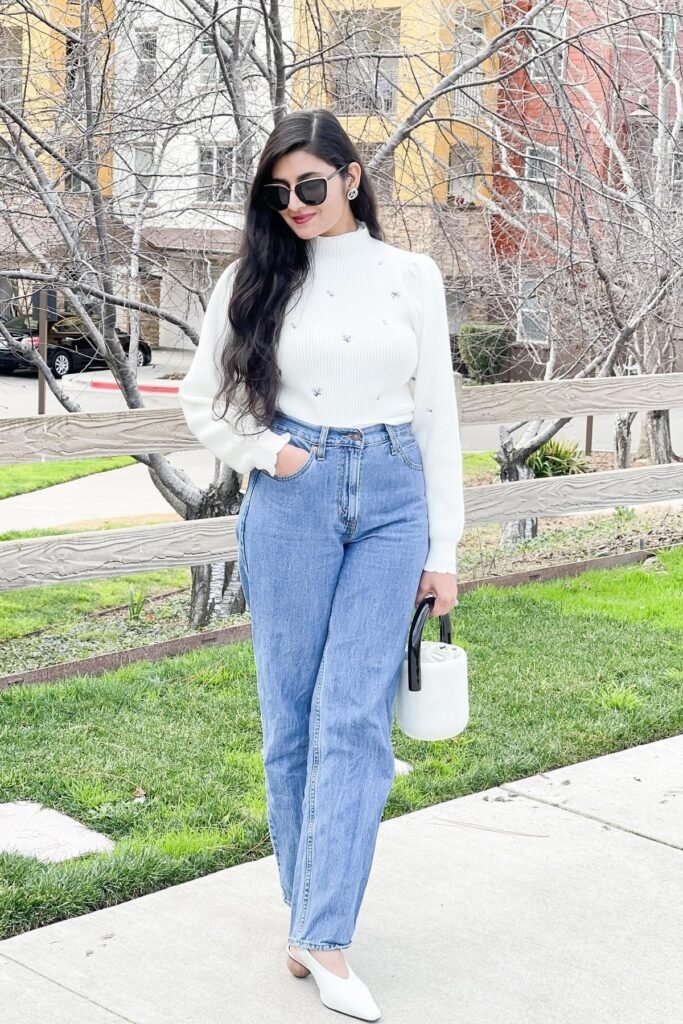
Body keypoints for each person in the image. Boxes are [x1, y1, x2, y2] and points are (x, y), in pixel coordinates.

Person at [178, 107, 465, 1022]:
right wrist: (273, 457)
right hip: (293, 498)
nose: (295, 205)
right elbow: (199, 401)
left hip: (390, 496)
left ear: (349, 177)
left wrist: (443, 549)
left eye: (310, 186)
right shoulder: (253, 279)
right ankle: (304, 917)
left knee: (354, 720)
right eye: (278, 192)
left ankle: (327, 936)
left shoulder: (410, 276)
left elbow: (437, 416)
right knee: (290, 721)